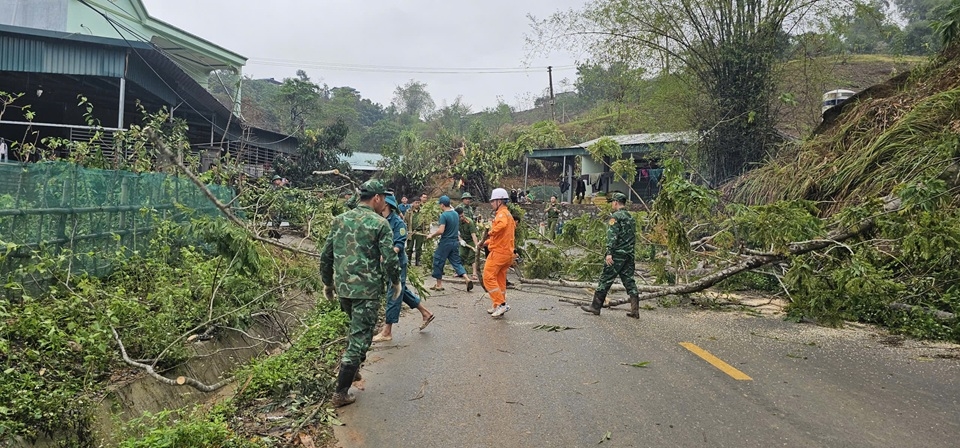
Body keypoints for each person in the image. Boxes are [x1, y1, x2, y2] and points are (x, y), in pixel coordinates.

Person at [319, 179, 401, 407]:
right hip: (367, 291)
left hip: (344, 289)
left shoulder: (339, 220)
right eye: (383, 198)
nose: (383, 202)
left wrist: (328, 284)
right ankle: (340, 392)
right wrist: (396, 282)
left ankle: (352, 370)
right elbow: (390, 258)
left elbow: (326, 256)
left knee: (358, 333)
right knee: (360, 338)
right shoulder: (380, 224)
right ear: (376, 198)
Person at [373, 195, 435, 342]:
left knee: (394, 293)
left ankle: (387, 331)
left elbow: (399, 245)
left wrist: (386, 254)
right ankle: (425, 313)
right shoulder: (382, 221)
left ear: (387, 205)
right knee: (402, 291)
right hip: (387, 264)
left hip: (397, 264)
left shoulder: (398, 223)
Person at [581, 192, 641, 319]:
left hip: (617, 254)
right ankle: (635, 310)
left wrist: (609, 253)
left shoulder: (616, 217)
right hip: (629, 254)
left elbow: (612, 236)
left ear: (615, 202)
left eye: (612, 202)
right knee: (629, 280)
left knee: (605, 279)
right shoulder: (630, 217)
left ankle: (595, 307)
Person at [426, 195, 473, 291]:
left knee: (438, 260)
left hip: (445, 242)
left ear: (442, 205)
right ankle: (467, 278)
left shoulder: (443, 215)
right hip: (455, 242)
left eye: (440, 205)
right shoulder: (455, 214)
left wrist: (431, 235)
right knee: (456, 262)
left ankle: (439, 284)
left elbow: (441, 230)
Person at [481, 188, 516, 317]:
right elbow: (504, 235)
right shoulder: (508, 214)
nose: (491, 203)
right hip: (507, 252)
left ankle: (501, 304)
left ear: (499, 201)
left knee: (488, 276)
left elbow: (500, 226)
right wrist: (488, 241)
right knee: (500, 278)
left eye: (493, 201)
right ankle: (498, 305)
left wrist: (490, 232)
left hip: (499, 252)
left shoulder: (501, 215)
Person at [456, 206, 480, 281]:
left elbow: (473, 235)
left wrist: (476, 246)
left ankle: (474, 273)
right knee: (461, 255)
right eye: (460, 217)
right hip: (463, 240)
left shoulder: (469, 222)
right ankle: (460, 272)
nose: (461, 218)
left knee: (472, 256)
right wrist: (460, 240)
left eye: (462, 216)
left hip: (471, 240)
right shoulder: (456, 221)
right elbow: (456, 232)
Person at [405, 198, 426, 266]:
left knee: (419, 247)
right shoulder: (408, 212)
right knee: (409, 247)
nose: (417, 204)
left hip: (419, 232)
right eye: (416, 203)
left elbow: (425, 222)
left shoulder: (422, 212)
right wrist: (407, 230)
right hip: (411, 231)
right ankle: (408, 261)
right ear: (413, 203)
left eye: (418, 203)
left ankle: (418, 261)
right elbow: (405, 221)